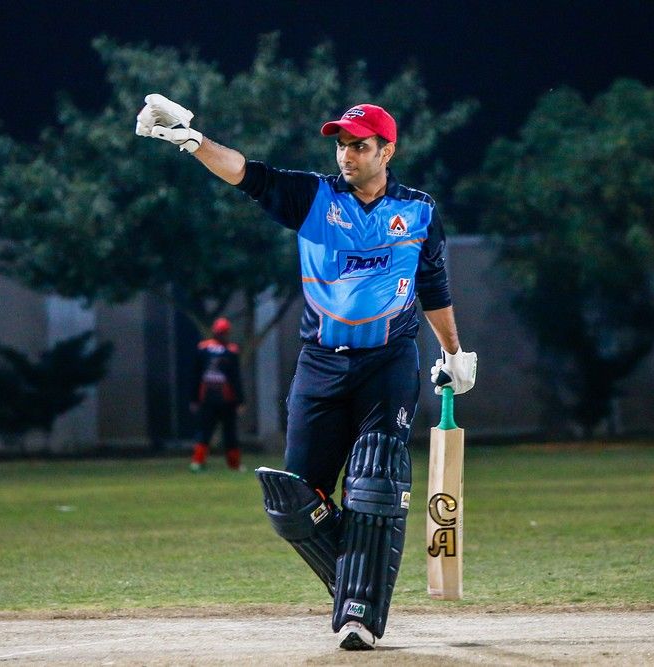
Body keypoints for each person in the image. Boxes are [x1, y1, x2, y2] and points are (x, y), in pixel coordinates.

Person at [136, 94, 477, 650]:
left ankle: (358, 615)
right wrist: (193, 141)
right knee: (295, 501)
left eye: (359, 145)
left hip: (387, 362)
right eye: (342, 144)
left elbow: (433, 285)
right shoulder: (314, 197)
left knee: (374, 478)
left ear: (387, 151)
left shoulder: (418, 211)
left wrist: (454, 353)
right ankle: (359, 582)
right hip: (320, 363)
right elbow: (247, 174)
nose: (347, 154)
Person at [189, 317, 245, 472]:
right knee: (227, 432)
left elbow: (195, 376)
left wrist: (194, 398)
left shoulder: (203, 348)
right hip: (225, 398)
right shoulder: (231, 351)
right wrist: (240, 400)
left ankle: (198, 462)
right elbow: (235, 378)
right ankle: (233, 465)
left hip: (209, 397)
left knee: (207, 431)